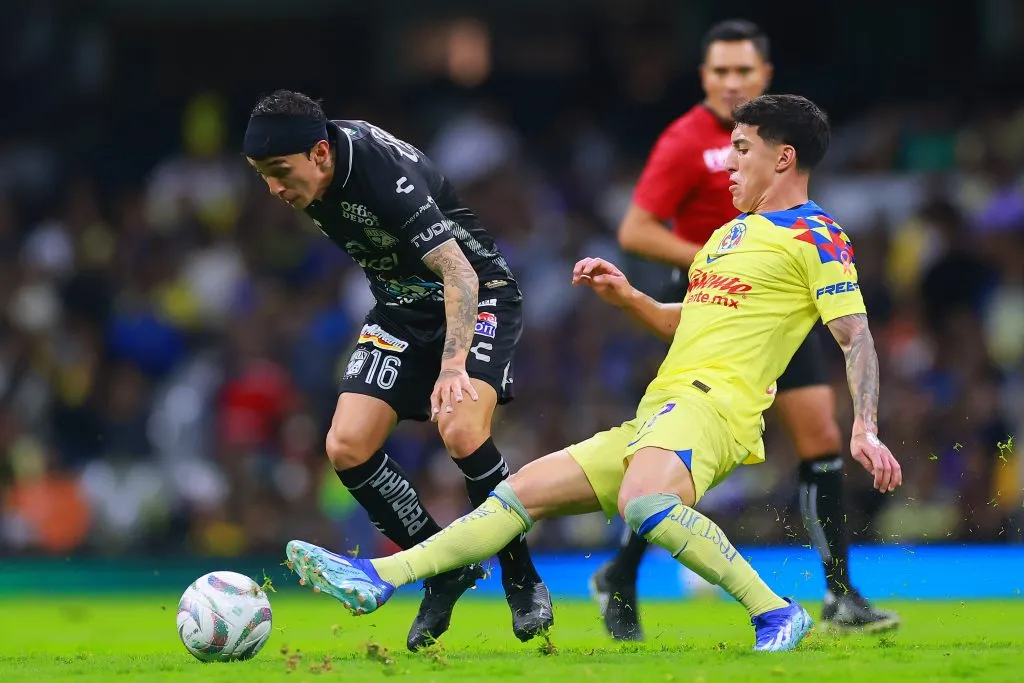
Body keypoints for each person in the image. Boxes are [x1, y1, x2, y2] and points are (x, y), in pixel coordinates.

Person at [282, 94, 903, 653]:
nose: (729, 164)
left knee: (645, 502)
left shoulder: (818, 235)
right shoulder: (730, 235)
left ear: (784, 157)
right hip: (659, 410)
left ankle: (774, 612)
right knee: (516, 495)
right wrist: (629, 296)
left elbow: (855, 334)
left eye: (740, 150)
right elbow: (685, 322)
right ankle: (377, 577)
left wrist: (865, 428)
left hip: (715, 408)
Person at [606, 19, 898, 639]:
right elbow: (635, 231)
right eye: (719, 71)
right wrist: (720, 260)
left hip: (783, 303)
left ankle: (841, 595)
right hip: (715, 310)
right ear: (703, 77)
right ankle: (623, 574)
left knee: (820, 433)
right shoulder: (684, 141)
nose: (731, 81)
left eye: (743, 71)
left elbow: (855, 332)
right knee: (672, 450)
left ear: (763, 75)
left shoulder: (775, 133)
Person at [242, 90, 552, 650]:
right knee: (346, 446)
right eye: (260, 174)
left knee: (460, 428)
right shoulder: (311, 163)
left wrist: (452, 365)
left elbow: (459, 273)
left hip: (478, 295)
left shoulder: (380, 174)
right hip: (402, 310)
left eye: (278, 172)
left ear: (319, 153)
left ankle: (522, 575)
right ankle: (443, 567)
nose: (273, 189)